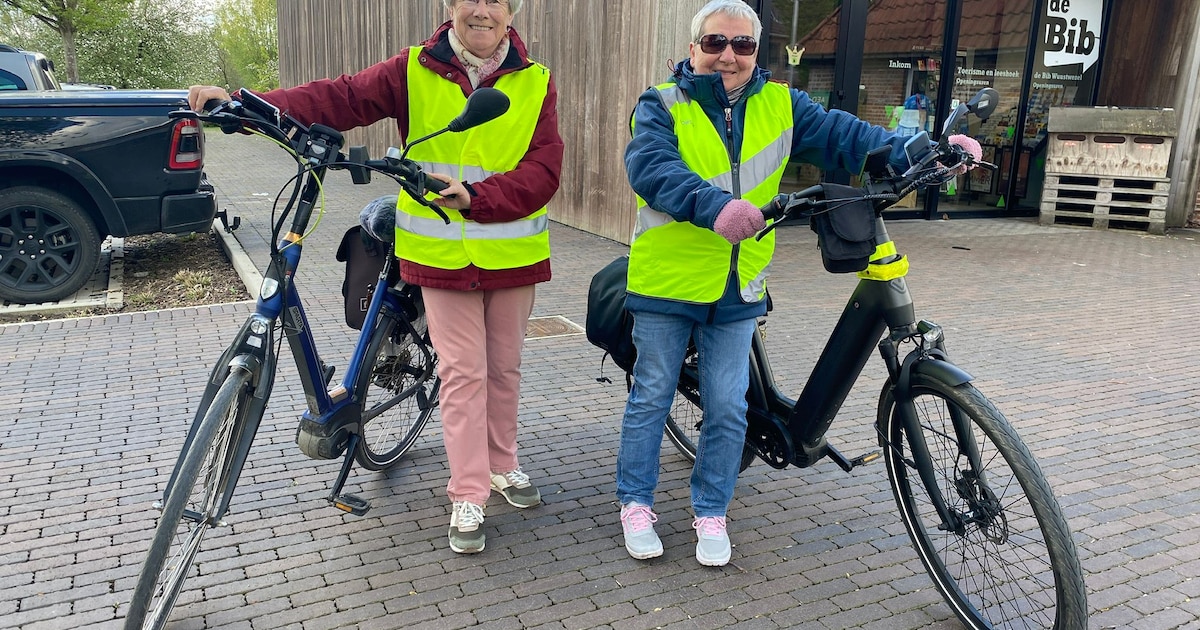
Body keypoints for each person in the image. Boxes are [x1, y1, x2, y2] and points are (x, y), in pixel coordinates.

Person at [188, 0, 563, 555]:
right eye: (470, 1)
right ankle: (467, 490)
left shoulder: (537, 82)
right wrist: (247, 105)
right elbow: (338, 98)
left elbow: (544, 166)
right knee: (463, 372)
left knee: (503, 366)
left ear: (512, 12)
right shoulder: (412, 68)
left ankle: (503, 463)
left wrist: (479, 197)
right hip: (438, 251)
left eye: (494, 2)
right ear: (451, 8)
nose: (481, 11)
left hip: (511, 250)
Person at [617, 0, 968, 567]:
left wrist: (924, 148)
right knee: (653, 395)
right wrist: (715, 207)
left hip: (737, 286)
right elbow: (652, 168)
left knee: (729, 408)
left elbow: (846, 136)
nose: (728, 55)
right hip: (668, 281)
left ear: (757, 53)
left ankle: (711, 508)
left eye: (743, 45)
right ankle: (635, 502)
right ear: (693, 49)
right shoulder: (662, 104)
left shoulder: (782, 104)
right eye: (714, 43)